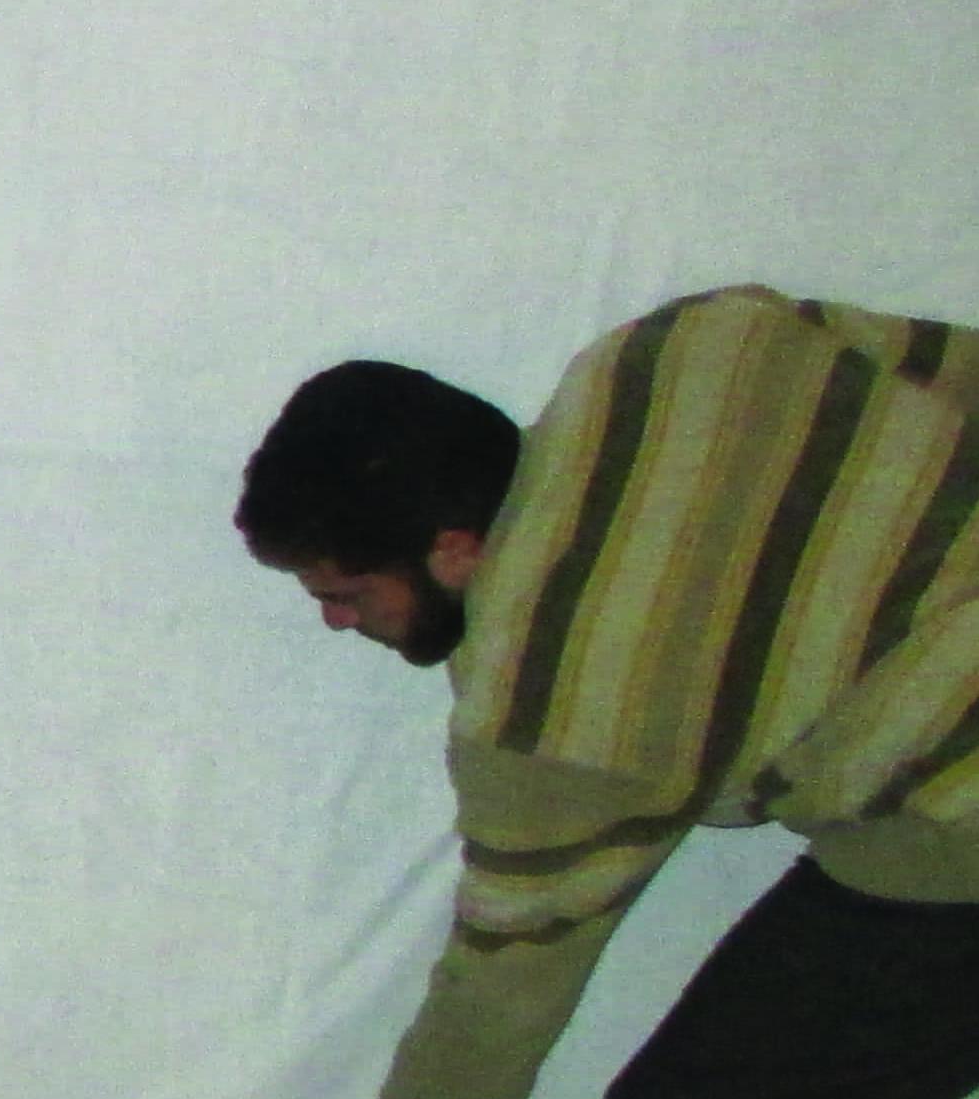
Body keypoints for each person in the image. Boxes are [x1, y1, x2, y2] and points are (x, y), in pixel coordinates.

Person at [242, 287, 979, 1099]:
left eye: (347, 592)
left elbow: (495, 1004)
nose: (335, 621)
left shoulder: (548, 706)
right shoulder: (682, 348)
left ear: (450, 551)